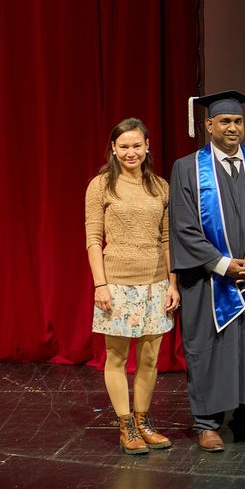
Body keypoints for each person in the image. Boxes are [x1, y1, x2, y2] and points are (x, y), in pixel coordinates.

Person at [169, 91, 245, 451]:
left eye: (238, 121)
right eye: (225, 121)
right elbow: (184, 225)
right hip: (207, 282)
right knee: (208, 349)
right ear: (208, 125)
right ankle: (207, 423)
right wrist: (222, 264)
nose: (233, 127)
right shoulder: (187, 168)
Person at [85, 118, 180, 454]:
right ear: (113, 148)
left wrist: (173, 283)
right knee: (117, 356)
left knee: (150, 359)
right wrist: (101, 284)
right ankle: (125, 426)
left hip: (155, 283)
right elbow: (93, 239)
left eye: (136, 145)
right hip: (117, 283)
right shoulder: (101, 186)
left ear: (147, 146)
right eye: (123, 146)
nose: (130, 152)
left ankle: (143, 423)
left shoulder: (160, 187)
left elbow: (169, 239)